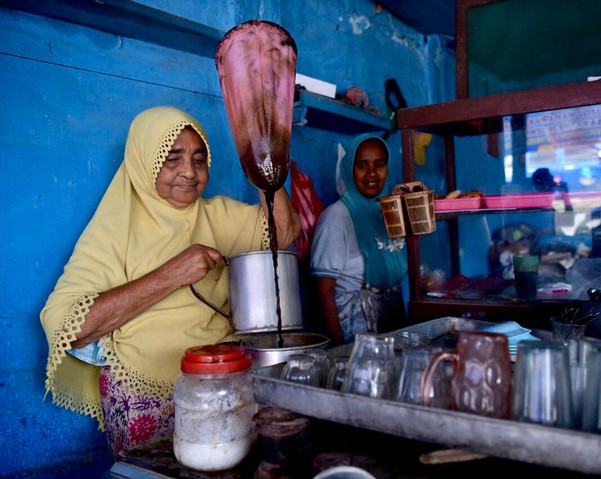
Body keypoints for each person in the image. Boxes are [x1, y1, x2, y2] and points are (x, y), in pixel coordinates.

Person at [39, 106, 301, 456]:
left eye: (199, 159)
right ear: (144, 161)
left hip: (220, 381)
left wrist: (264, 164)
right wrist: (172, 273)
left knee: (226, 463)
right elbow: (68, 327)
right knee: (152, 473)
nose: (189, 172)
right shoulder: (115, 229)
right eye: (172, 158)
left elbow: (285, 233)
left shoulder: (220, 216)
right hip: (143, 394)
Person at [310, 134, 407, 345]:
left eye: (379, 164)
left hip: (393, 320)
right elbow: (324, 293)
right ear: (349, 169)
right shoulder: (336, 218)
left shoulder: (391, 213)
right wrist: (339, 352)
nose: (372, 173)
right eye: (362, 165)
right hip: (355, 336)